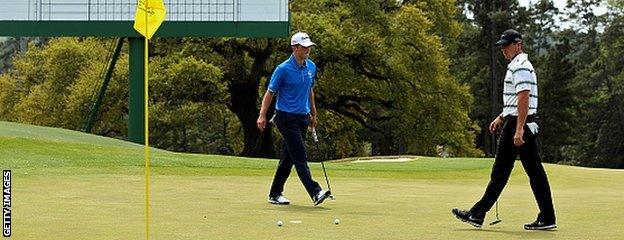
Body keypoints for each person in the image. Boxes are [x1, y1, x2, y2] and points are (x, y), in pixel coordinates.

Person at [452, 29, 557, 230]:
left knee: (501, 172)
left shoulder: (520, 66)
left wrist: (518, 129)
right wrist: (502, 116)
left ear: (519, 44)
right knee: (534, 172)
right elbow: (516, 100)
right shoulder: (519, 65)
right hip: (519, 121)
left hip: (519, 124)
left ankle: (477, 214)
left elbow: (524, 97)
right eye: (501, 46)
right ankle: (547, 217)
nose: (503, 50)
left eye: (506, 46)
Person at [257, 32, 331, 206]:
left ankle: (275, 193)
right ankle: (315, 192)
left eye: (309, 47)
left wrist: (313, 114)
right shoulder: (282, 69)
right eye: (304, 47)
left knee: (288, 158)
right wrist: (262, 115)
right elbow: (270, 92)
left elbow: (309, 91)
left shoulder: (311, 67)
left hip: (302, 117)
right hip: (285, 117)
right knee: (300, 154)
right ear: (294, 47)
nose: (308, 50)